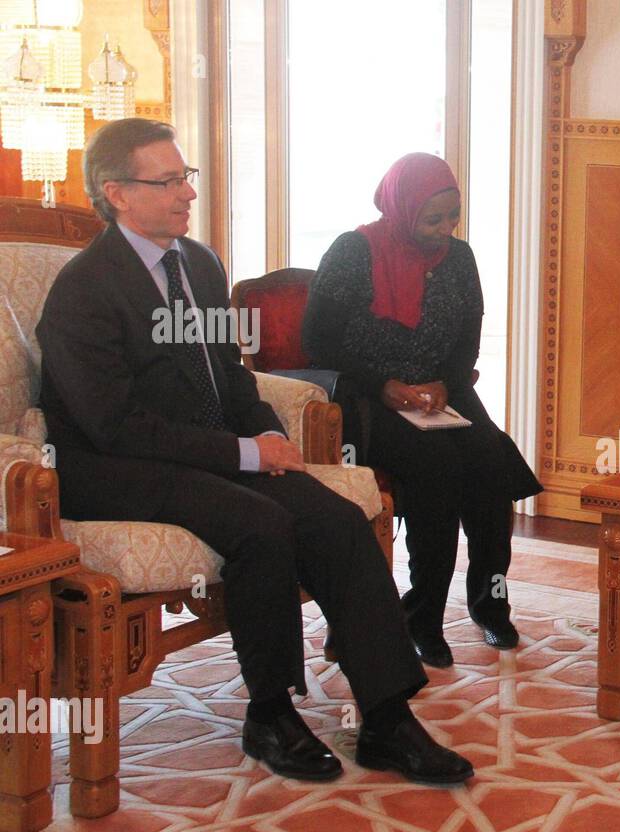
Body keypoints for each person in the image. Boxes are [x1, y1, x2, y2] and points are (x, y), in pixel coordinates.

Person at [37, 118, 473, 787]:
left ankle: (387, 717)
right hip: (117, 468)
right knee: (261, 525)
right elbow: (115, 425)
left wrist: (269, 435)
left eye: (187, 177)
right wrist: (244, 454)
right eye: (168, 180)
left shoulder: (201, 266)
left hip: (202, 450)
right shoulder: (85, 291)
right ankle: (269, 714)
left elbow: (231, 377)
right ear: (117, 193)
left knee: (333, 517)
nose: (186, 192)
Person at [302, 153, 542, 669]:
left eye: (452, 216)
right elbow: (318, 343)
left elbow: (467, 341)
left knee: (492, 464)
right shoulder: (353, 251)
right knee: (438, 468)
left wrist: (444, 383)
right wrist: (385, 385)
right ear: (401, 207)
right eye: (431, 218)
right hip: (367, 396)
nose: (443, 229)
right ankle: (422, 618)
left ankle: (490, 602)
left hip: (441, 390)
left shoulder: (459, 259)